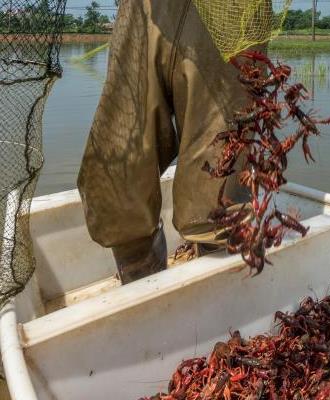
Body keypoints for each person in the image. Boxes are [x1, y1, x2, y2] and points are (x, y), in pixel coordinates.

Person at [78, 0, 263, 284]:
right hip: (144, 9)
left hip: (231, 12)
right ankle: (143, 293)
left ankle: (218, 305)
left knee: (217, 194)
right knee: (115, 178)